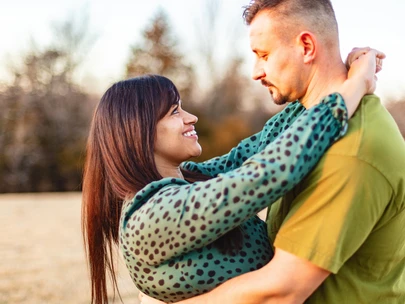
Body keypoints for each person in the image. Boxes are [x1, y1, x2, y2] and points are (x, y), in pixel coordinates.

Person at [137, 0, 405, 303]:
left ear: (306, 46)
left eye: (263, 55)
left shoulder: (352, 150)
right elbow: (234, 167)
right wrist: (356, 76)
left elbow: (282, 291)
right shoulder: (300, 126)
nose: (256, 72)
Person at [82, 45, 380, 303]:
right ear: (139, 132)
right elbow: (272, 171)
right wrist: (358, 83)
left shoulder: (191, 181)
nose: (191, 118)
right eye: (175, 112)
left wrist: (336, 75)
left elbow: (260, 145)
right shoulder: (150, 215)